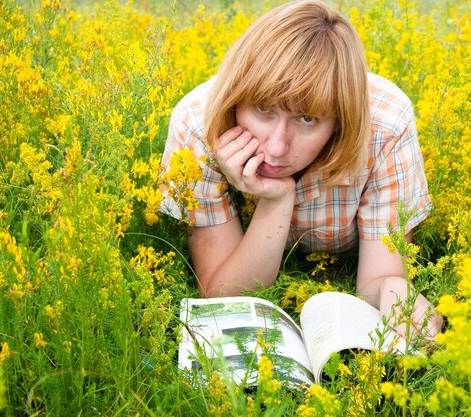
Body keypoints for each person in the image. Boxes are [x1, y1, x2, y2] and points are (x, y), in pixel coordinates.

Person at [160, 0, 443, 340]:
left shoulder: (385, 126)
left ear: (339, 122)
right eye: (263, 110)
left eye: (307, 119)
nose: (277, 147)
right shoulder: (196, 128)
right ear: (235, 99)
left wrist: (396, 292)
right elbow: (224, 295)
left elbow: (376, 283)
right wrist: (276, 200)